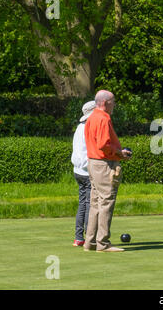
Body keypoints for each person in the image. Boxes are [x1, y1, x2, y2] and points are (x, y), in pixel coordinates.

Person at [83, 90, 132, 252]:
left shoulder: (91, 118)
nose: (114, 104)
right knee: (106, 202)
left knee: (96, 203)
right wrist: (120, 153)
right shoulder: (103, 118)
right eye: (113, 101)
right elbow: (104, 144)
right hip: (103, 164)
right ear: (105, 103)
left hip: (93, 162)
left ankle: (90, 242)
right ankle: (103, 243)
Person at [71, 100, 96, 247]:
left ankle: (78, 237)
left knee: (83, 204)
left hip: (77, 170)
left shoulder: (79, 127)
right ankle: (89, 237)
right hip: (87, 170)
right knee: (89, 204)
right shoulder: (89, 127)